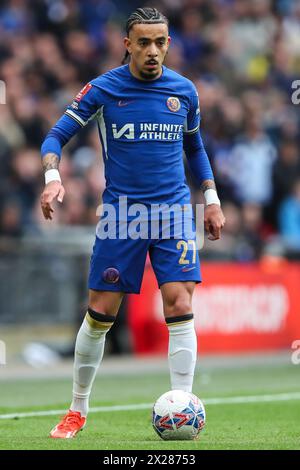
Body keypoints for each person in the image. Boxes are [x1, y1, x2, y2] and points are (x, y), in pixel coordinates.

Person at [40, 7, 225, 439]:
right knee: (101, 313)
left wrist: (211, 199)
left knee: (180, 305)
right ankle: (77, 409)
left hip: (175, 212)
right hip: (123, 215)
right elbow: (55, 136)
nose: (153, 51)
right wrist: (52, 178)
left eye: (160, 42)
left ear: (169, 44)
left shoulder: (184, 91)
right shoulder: (104, 89)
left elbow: (195, 149)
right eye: (143, 42)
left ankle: (183, 407)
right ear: (127, 44)